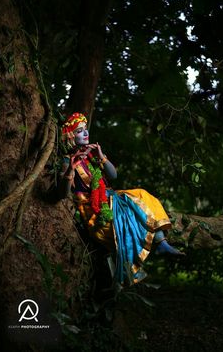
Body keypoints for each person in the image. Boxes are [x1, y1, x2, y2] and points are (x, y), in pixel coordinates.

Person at [59, 112, 184, 285]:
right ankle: (129, 269)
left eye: (86, 129)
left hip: (111, 196)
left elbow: (113, 175)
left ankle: (161, 242)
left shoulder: (92, 155)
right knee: (118, 225)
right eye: (80, 131)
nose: (86, 133)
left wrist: (100, 156)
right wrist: (70, 171)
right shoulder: (67, 160)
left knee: (142, 194)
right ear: (71, 136)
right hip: (91, 205)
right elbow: (63, 194)